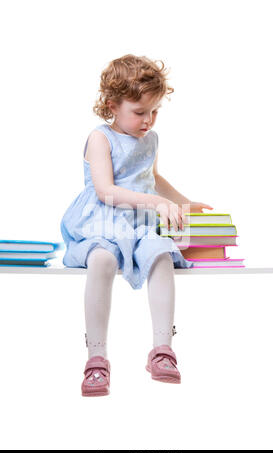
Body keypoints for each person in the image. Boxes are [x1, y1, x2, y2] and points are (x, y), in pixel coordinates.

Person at [60, 54, 213, 397]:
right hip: (104, 220)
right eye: (140, 112)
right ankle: (96, 357)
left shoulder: (151, 140)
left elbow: (153, 179)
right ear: (113, 105)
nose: (149, 120)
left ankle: (163, 350)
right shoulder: (100, 138)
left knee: (161, 254)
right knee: (101, 259)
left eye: (155, 111)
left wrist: (185, 203)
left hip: (141, 223)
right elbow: (107, 191)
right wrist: (159, 204)